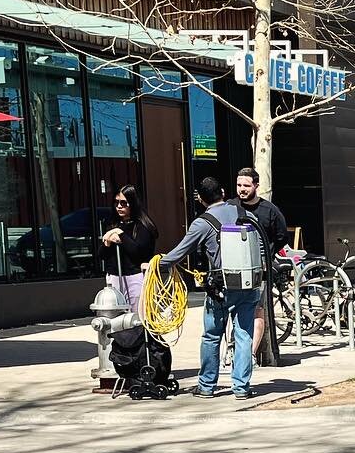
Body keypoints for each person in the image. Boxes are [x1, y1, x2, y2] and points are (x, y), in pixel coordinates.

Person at [159, 176, 262, 400]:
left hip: (220, 287)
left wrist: (157, 264)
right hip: (248, 282)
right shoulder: (246, 215)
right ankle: (241, 388)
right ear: (223, 192)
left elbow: (179, 253)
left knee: (212, 336)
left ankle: (207, 386)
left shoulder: (202, 223)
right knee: (244, 335)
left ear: (201, 199)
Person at [233, 166, 289, 361]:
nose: (242, 189)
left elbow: (282, 236)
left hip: (260, 269)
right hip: (235, 269)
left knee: (258, 310)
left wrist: (268, 254)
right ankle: (234, 352)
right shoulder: (232, 207)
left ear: (256, 185)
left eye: (246, 185)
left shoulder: (269, 210)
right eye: (239, 185)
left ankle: (249, 355)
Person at [99, 185, 158, 310]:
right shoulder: (113, 224)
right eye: (116, 202)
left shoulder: (142, 226)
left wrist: (120, 235)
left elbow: (138, 252)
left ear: (133, 203)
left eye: (123, 203)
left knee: (137, 317)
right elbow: (102, 255)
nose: (119, 206)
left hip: (135, 277)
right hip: (114, 277)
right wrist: (107, 243)